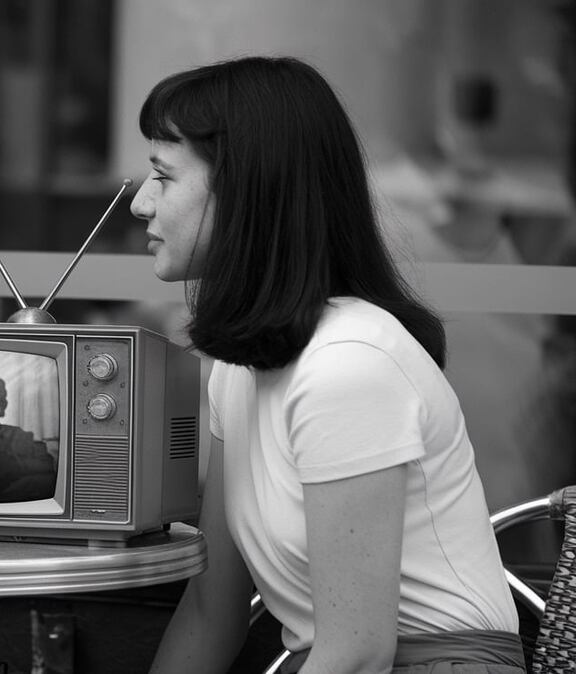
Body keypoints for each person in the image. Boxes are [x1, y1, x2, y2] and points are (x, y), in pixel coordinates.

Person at [132, 57, 523, 673]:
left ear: (245, 189)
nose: (140, 202)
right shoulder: (239, 368)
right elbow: (211, 612)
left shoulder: (348, 363)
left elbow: (359, 653)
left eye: (163, 175)